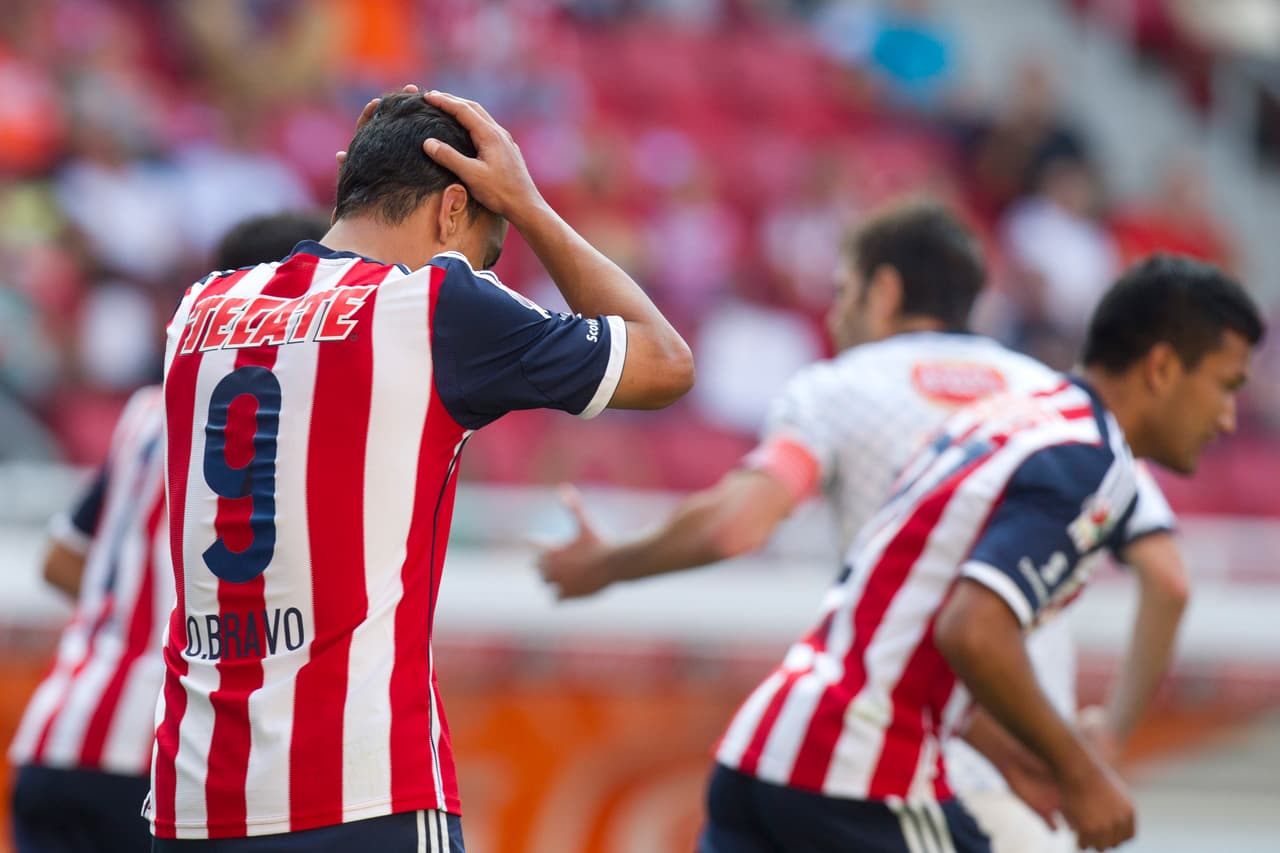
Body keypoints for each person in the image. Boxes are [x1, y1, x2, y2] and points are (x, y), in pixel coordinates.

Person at [538, 201, 1189, 849]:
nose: (833, 314)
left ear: (884, 291)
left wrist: (610, 564)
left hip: (886, 759)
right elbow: (1166, 577)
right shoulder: (1054, 406)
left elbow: (734, 526)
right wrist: (1107, 737)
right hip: (1026, 773)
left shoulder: (840, 388)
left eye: (843, 290)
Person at [145, 88, 694, 851]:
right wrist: (529, 204)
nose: (478, 265)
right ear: (453, 209)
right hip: (362, 793)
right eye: (486, 245)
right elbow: (666, 363)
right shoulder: (434, 305)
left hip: (197, 798)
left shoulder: (199, 311)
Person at [696, 254, 1261, 852]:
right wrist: (1082, 774)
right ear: (1163, 368)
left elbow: (908, 624)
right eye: (1225, 386)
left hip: (770, 747)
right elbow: (972, 631)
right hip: (859, 769)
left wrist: (1015, 757)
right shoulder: (1084, 459)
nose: (1227, 418)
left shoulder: (1010, 420)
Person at [7, 211, 330, 853]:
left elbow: (60, 560)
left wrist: (132, 617)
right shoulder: (290, 417)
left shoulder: (145, 410)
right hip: (160, 755)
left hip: (57, 733)